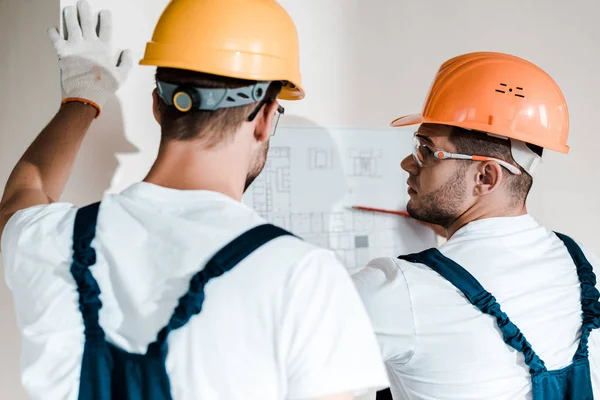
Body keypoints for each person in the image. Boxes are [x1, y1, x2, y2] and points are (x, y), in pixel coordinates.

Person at [0, 1, 389, 399]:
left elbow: (23, 193)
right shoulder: (303, 275)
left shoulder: (52, 239)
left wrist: (83, 96)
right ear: (268, 116)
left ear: (157, 104)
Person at [353, 52, 600, 399]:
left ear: (486, 176)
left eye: (426, 149)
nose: (408, 162)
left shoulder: (401, 289)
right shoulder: (584, 263)